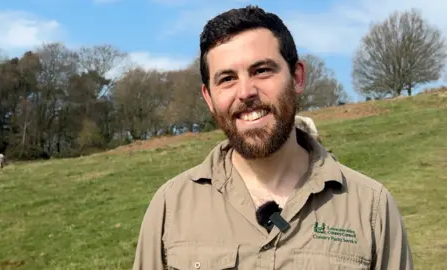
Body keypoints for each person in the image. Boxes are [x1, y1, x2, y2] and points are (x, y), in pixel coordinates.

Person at [133, 5, 413, 270]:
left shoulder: (371, 207)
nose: (246, 92)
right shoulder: (171, 207)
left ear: (297, 77)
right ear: (209, 97)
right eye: (227, 78)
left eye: (262, 70)